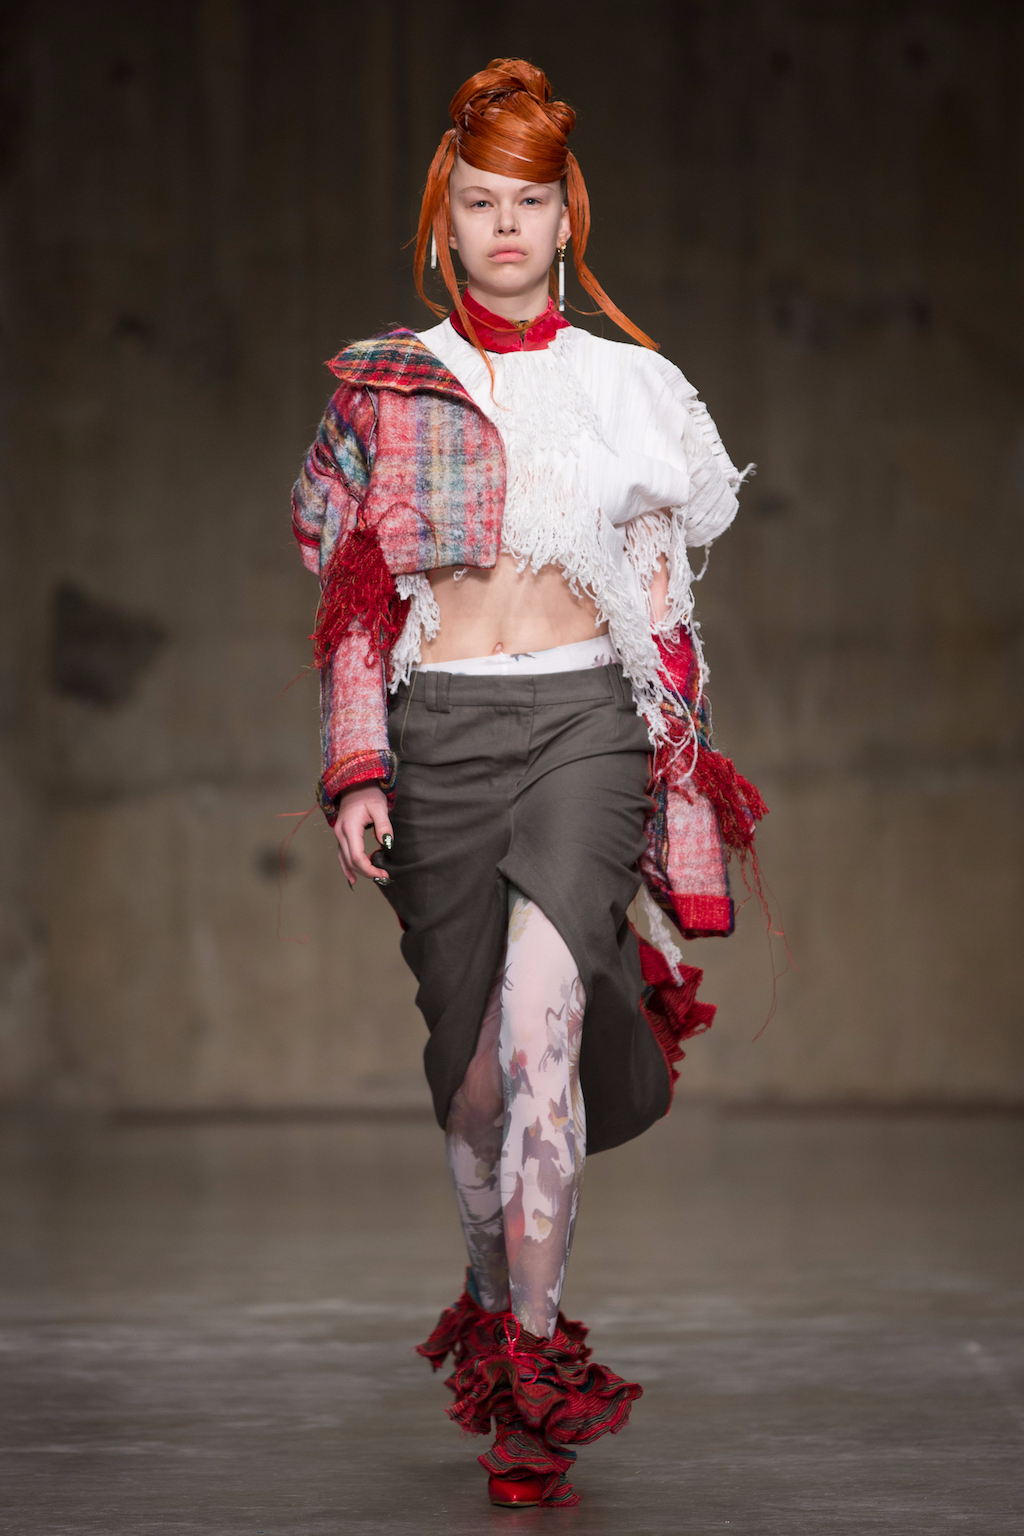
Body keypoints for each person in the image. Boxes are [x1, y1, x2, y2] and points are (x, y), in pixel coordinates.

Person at [291, 58, 765, 1510]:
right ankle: (496, 1311)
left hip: (581, 730)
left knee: (548, 1034)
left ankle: (537, 1375)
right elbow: (356, 597)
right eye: (483, 203)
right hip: (438, 733)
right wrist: (356, 768)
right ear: (448, 218)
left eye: (532, 203)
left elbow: (660, 602)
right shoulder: (391, 386)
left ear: (569, 217)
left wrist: (679, 777)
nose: (508, 228)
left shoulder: (633, 388)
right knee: (479, 1082)